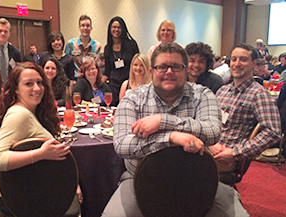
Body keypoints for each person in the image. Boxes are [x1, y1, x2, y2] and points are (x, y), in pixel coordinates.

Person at [102, 42, 249, 217]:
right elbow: (122, 145)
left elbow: (213, 131)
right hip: (140, 179)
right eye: (162, 67)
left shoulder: (203, 94)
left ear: (186, 70)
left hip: (196, 179)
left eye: (176, 67)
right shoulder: (132, 99)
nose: (169, 72)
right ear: (152, 71)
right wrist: (172, 137)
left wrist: (163, 121)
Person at [0, 62, 82, 216]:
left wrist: (72, 182)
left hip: (35, 188)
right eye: (28, 84)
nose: (37, 88)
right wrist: (40, 154)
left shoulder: (33, 111)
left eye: (39, 82)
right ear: (16, 89)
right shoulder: (19, 115)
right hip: (21, 197)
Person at [209, 43, 281, 172]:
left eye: (243, 59)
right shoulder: (222, 91)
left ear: (254, 63)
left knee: (179, 164)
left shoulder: (259, 94)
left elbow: (273, 132)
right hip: (210, 147)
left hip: (226, 157)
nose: (237, 64)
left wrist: (235, 153)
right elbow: (209, 121)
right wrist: (210, 143)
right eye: (234, 59)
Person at [102, 16, 139, 106]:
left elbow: (137, 63)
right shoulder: (108, 48)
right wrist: (97, 83)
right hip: (113, 85)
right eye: (114, 27)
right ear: (110, 29)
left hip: (129, 83)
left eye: (119, 27)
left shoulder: (131, 44)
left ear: (123, 29)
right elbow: (107, 70)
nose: (116, 30)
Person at [65, 15, 102, 79]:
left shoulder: (97, 46)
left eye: (88, 26)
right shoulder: (70, 44)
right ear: (79, 28)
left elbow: (97, 65)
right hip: (75, 79)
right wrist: (76, 74)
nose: (85, 28)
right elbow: (66, 63)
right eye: (82, 25)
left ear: (91, 28)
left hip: (91, 79)